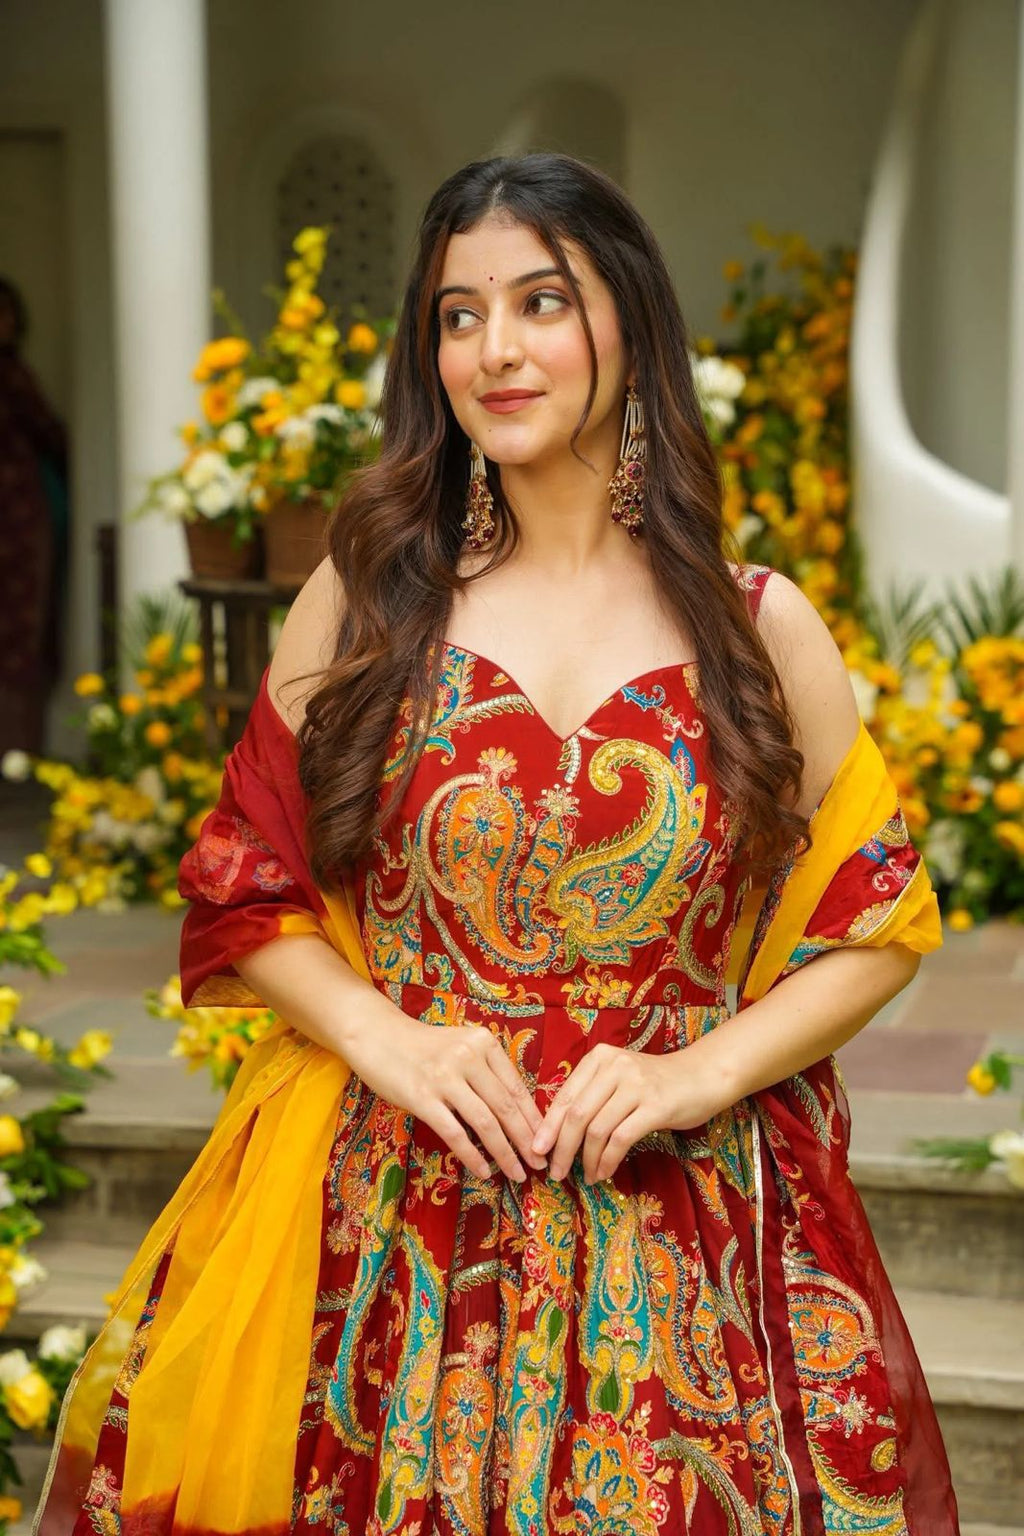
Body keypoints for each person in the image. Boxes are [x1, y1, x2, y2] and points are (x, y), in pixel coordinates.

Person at [35, 152, 959, 1535]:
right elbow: (246, 880)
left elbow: (875, 919)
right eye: (458, 316)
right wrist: (385, 1038)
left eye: (540, 301)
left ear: (629, 329)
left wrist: (695, 1071)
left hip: (680, 1235)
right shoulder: (365, 604)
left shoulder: (759, 627)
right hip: (393, 1230)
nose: (495, 349)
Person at [0, 277, 69, 756]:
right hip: (18, 519)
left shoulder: (13, 374)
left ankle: (18, 758)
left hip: (20, 524)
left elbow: (51, 435)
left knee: (22, 642)